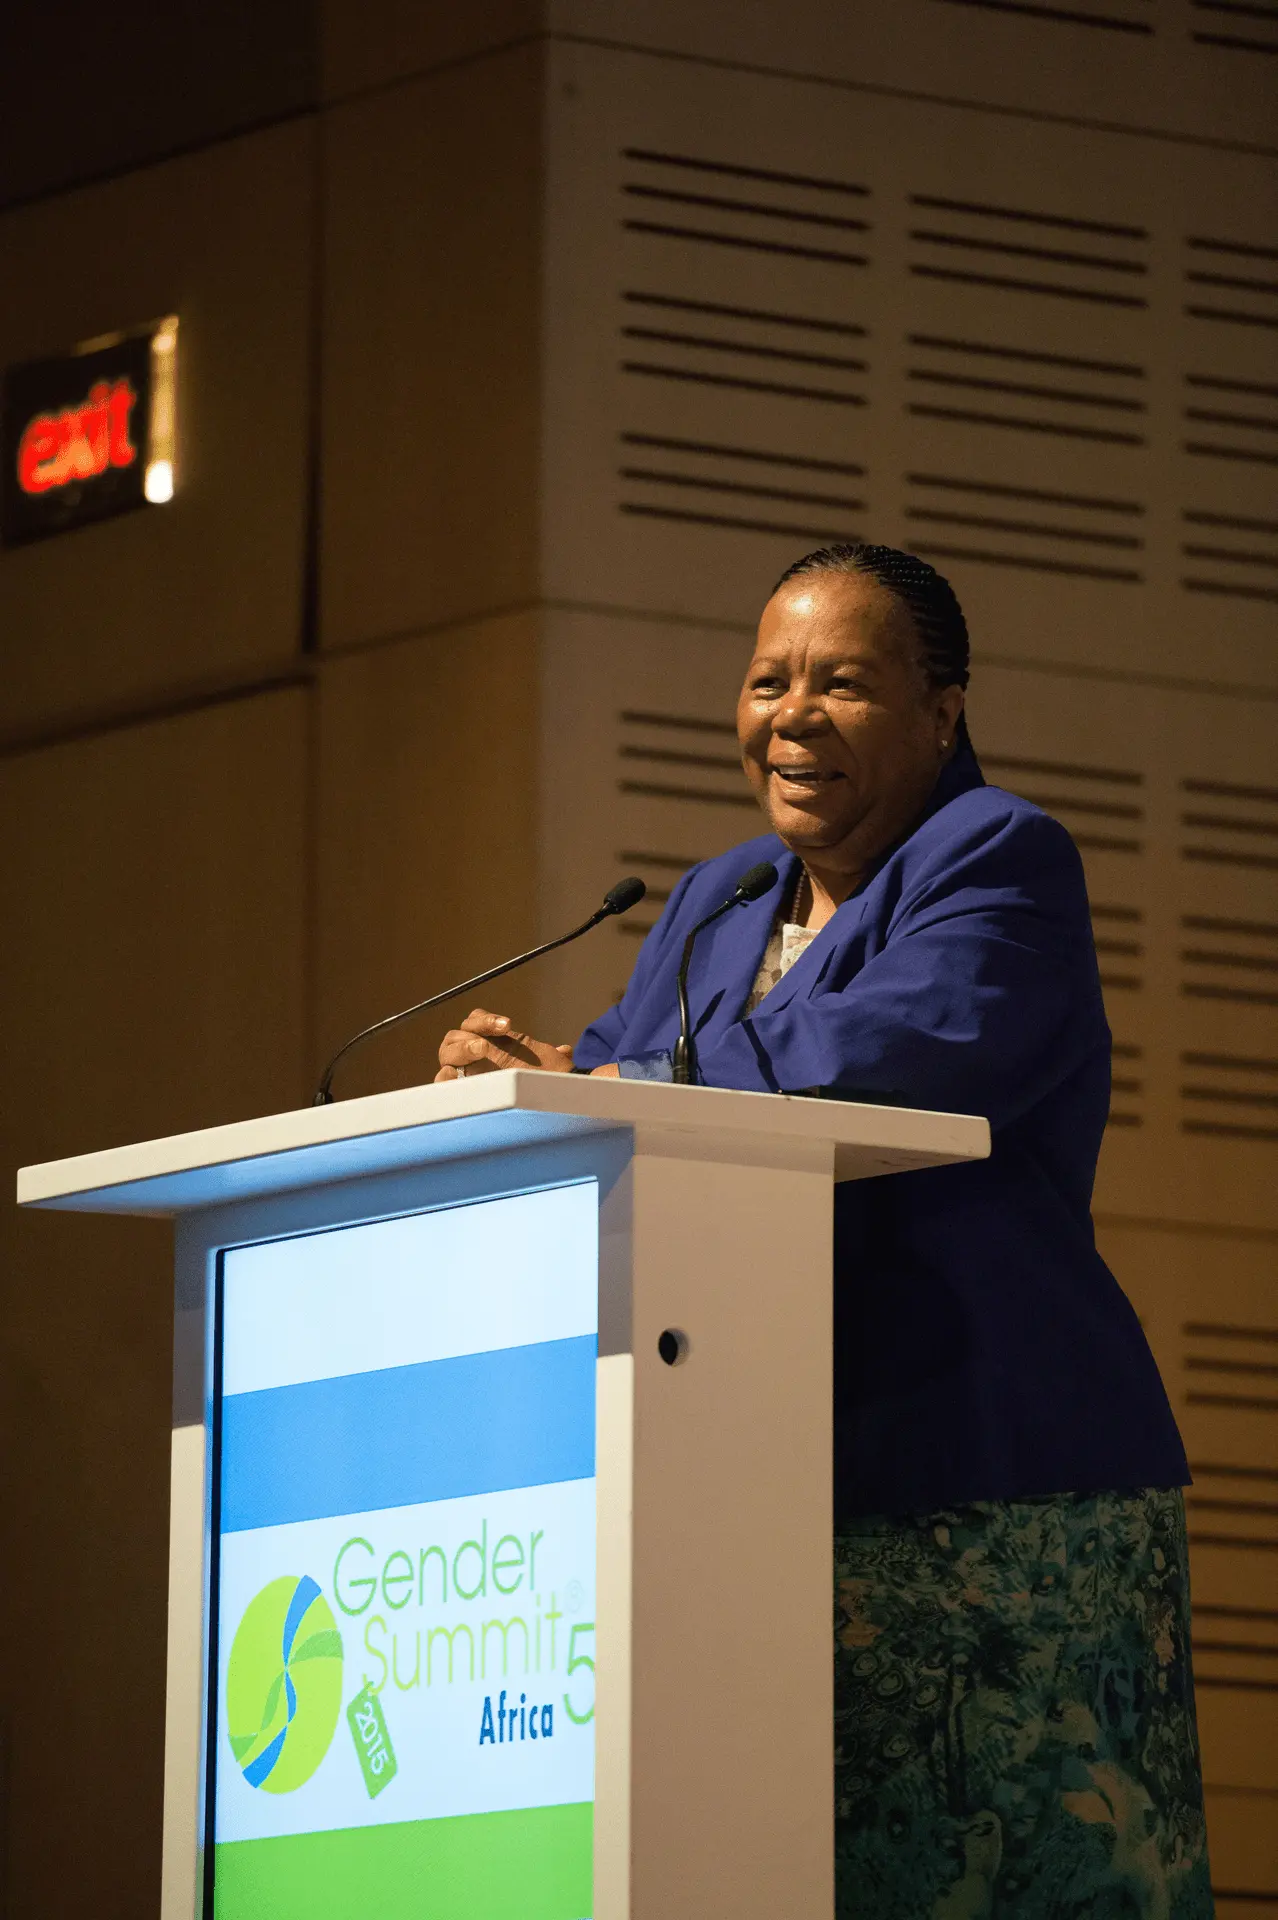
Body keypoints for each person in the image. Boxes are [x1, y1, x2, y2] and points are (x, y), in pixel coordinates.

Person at [436, 543, 1212, 1918]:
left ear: (941, 711)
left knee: (1032, 1874)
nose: (791, 715)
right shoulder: (722, 896)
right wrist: (522, 1076)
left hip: (991, 1479)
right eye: (766, 681)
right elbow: (625, 1068)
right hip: (768, 1482)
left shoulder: (996, 855)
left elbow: (886, 1050)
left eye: (841, 683)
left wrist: (616, 1081)